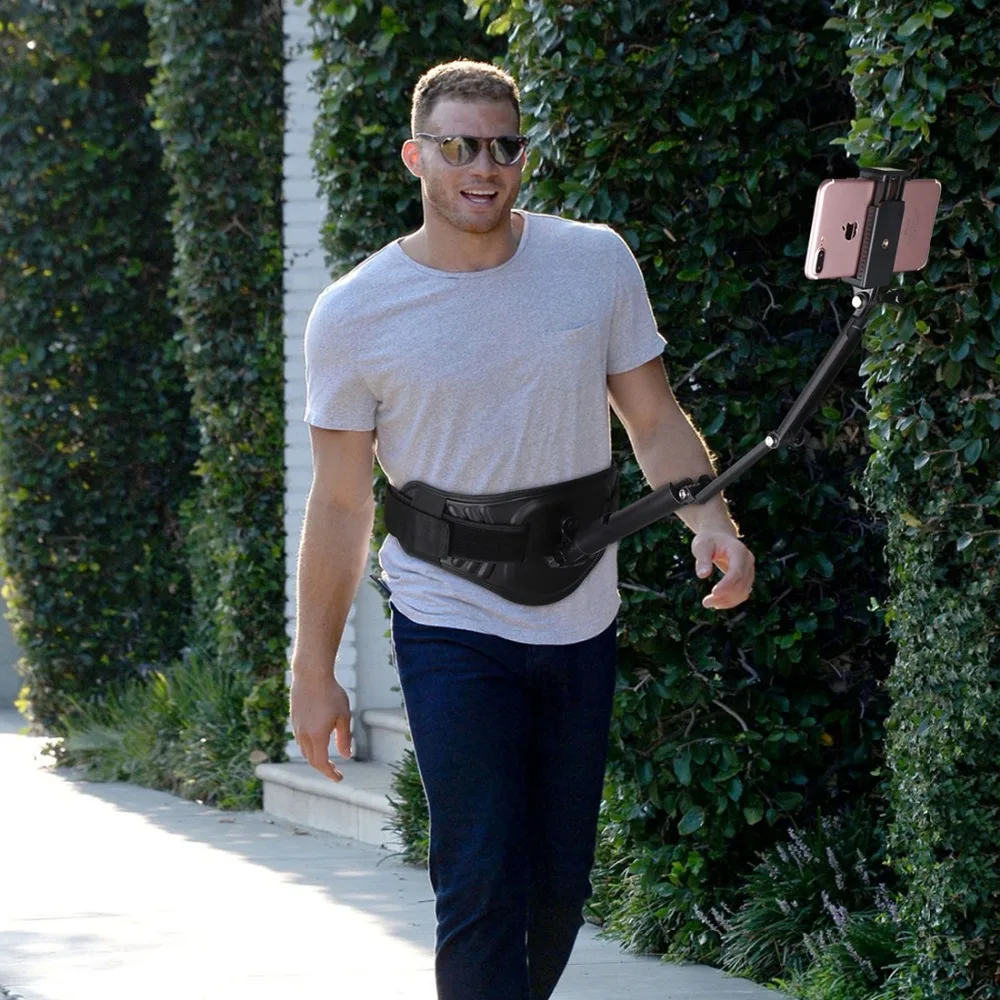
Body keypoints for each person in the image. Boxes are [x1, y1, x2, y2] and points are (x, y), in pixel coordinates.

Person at [290, 59, 755, 1000]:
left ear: (523, 157)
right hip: (447, 613)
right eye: (460, 146)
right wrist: (313, 670)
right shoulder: (355, 313)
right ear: (416, 156)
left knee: (557, 888)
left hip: (580, 613)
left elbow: (653, 419)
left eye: (503, 147)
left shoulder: (593, 263)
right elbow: (339, 504)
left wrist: (711, 518)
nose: (484, 167)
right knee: (481, 875)